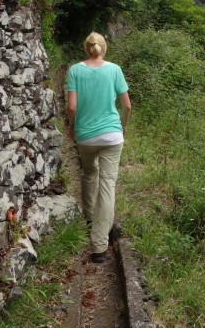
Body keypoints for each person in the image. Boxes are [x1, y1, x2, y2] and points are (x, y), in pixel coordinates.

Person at [66, 32, 132, 263]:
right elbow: (127, 105)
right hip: (112, 135)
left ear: (87, 49)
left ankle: (88, 217)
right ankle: (99, 246)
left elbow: (72, 107)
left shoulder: (75, 70)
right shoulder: (114, 70)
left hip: (85, 136)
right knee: (107, 185)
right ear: (103, 49)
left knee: (89, 172)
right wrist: (122, 127)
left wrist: (73, 128)